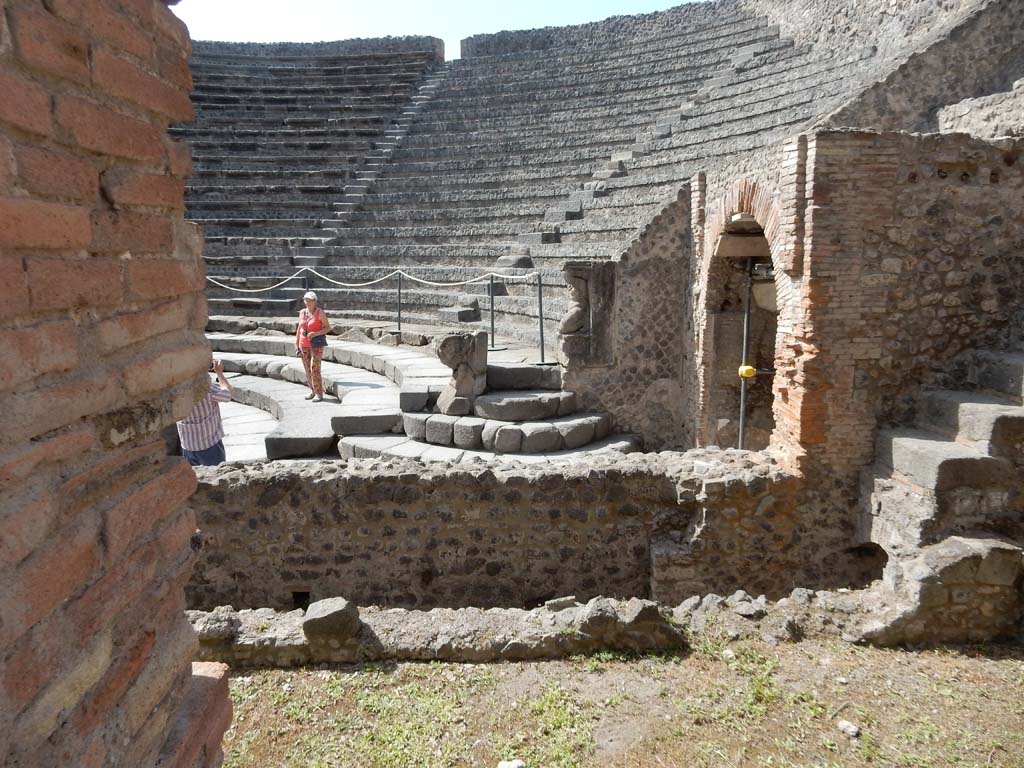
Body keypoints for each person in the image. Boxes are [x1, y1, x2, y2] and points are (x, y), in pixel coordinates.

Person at [177, 359, 233, 466]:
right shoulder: (206, 389)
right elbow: (228, 394)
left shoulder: (176, 391)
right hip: (210, 446)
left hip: (188, 445)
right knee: (217, 476)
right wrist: (219, 373)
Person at [295, 290, 331, 402]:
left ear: (315, 301)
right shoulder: (302, 312)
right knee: (307, 370)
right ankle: (312, 390)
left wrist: (315, 333)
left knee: (315, 369)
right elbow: (299, 329)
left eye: (310, 300)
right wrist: (296, 344)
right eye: (305, 300)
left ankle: (319, 393)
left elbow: (327, 328)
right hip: (303, 344)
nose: (307, 302)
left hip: (316, 345)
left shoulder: (320, 313)